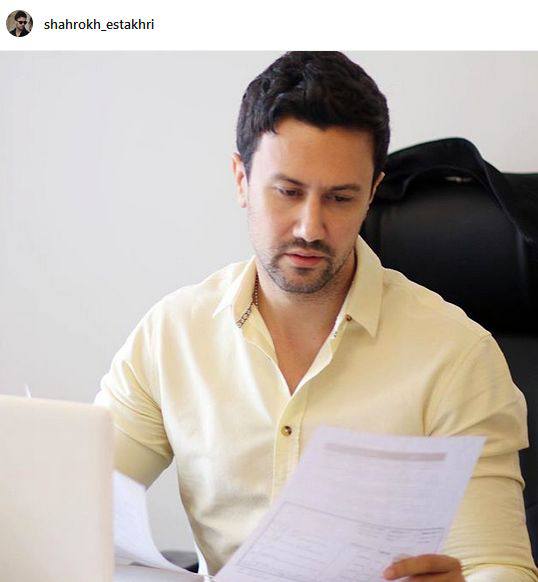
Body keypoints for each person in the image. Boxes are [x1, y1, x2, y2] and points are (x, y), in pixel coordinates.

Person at [95, 52, 537, 580]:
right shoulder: (172, 335)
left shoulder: (457, 356)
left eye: (340, 198)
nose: (310, 227)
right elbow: (81, 502)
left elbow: (497, 565)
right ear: (241, 179)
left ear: (372, 194)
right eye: (288, 192)